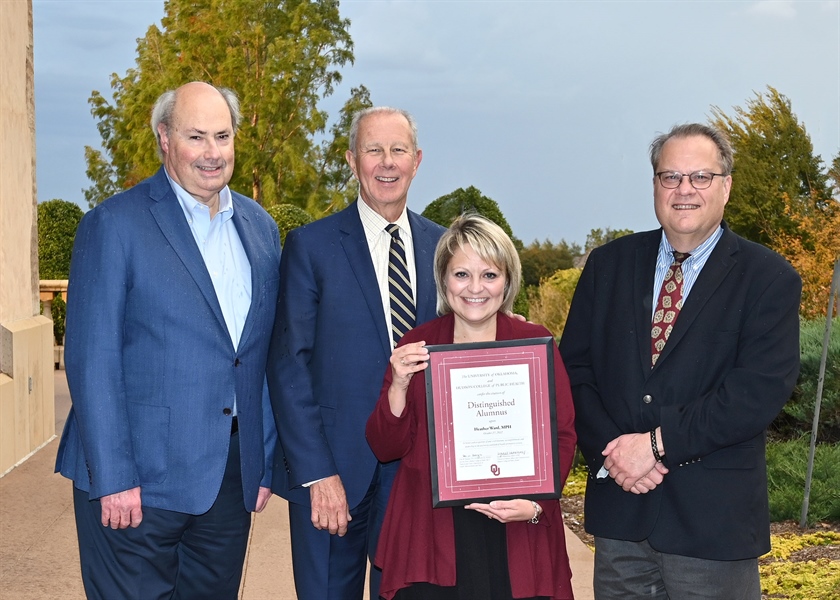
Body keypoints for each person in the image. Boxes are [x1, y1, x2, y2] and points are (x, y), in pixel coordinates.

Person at [55, 82, 280, 599]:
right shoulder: (112, 224)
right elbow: (92, 360)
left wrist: (262, 459)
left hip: (227, 481)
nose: (212, 152)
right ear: (164, 138)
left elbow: (260, 355)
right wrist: (112, 476)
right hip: (137, 480)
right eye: (195, 136)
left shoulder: (260, 228)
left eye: (222, 136)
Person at [559, 123, 801, 599]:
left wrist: (656, 444)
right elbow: (575, 372)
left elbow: (754, 393)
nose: (684, 189)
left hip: (711, 527)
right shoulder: (608, 265)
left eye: (700, 177)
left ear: (726, 186)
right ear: (654, 186)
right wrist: (616, 450)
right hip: (620, 514)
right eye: (670, 177)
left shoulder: (769, 278)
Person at [267, 106, 446, 599]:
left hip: (418, 474)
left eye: (398, 150)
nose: (387, 163)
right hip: (335, 473)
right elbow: (289, 366)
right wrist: (316, 471)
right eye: (374, 150)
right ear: (351, 160)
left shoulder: (443, 249)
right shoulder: (312, 246)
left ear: (417, 160)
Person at [366, 214, 577, 600]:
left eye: (490, 275)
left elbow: (561, 435)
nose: (475, 288)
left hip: (515, 529)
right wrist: (398, 383)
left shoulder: (533, 343)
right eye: (462, 274)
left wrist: (534, 504)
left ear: (507, 280)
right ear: (444, 281)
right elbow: (385, 448)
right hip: (432, 535)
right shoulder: (417, 345)